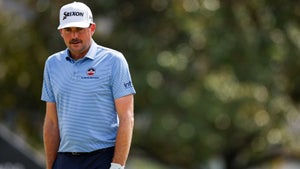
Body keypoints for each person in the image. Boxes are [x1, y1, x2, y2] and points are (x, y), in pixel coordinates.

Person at [41, 2, 136, 169]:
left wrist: (117, 166)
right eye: (68, 30)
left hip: (102, 158)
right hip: (65, 160)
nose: (74, 36)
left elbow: (127, 117)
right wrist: (51, 166)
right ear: (61, 32)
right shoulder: (52, 64)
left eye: (80, 29)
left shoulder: (114, 61)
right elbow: (51, 122)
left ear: (92, 29)